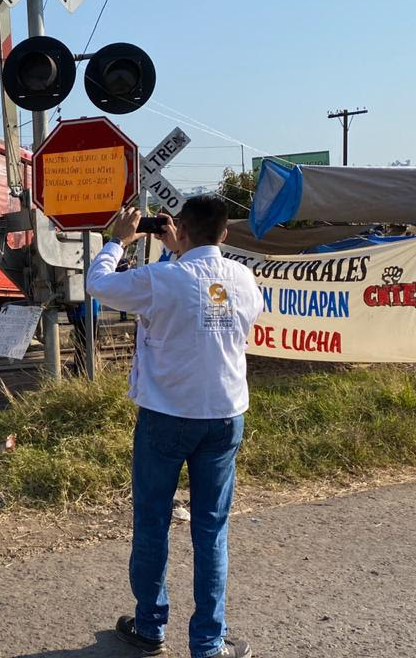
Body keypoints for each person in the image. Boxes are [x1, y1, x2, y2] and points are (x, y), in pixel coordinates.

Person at [87, 196, 263, 658]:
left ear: (180, 230)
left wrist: (117, 241)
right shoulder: (244, 280)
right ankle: (207, 642)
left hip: (165, 417)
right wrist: (178, 249)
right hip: (224, 417)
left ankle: (150, 626)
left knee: (152, 522)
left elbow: (98, 284)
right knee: (211, 529)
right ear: (224, 235)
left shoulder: (162, 278)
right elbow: (218, 314)